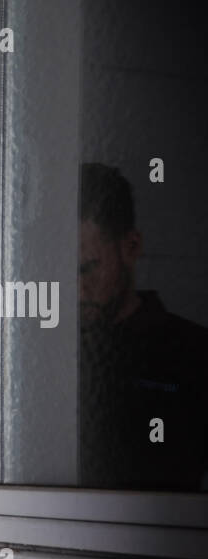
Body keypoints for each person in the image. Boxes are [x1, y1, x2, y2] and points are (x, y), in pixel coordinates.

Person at [76, 162, 208, 491]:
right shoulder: (51, 351)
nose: (77, 291)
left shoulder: (194, 354)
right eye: (66, 270)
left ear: (131, 247)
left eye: (89, 268)